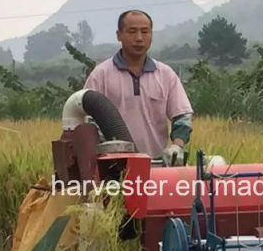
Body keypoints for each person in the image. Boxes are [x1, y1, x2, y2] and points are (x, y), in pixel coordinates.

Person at [82, 9, 193, 165]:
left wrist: (177, 146)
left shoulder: (166, 75)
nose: (139, 38)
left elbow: (182, 116)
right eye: (132, 31)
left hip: (156, 167)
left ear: (151, 36)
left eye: (145, 32)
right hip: (112, 168)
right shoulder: (101, 75)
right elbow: (88, 122)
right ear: (119, 35)